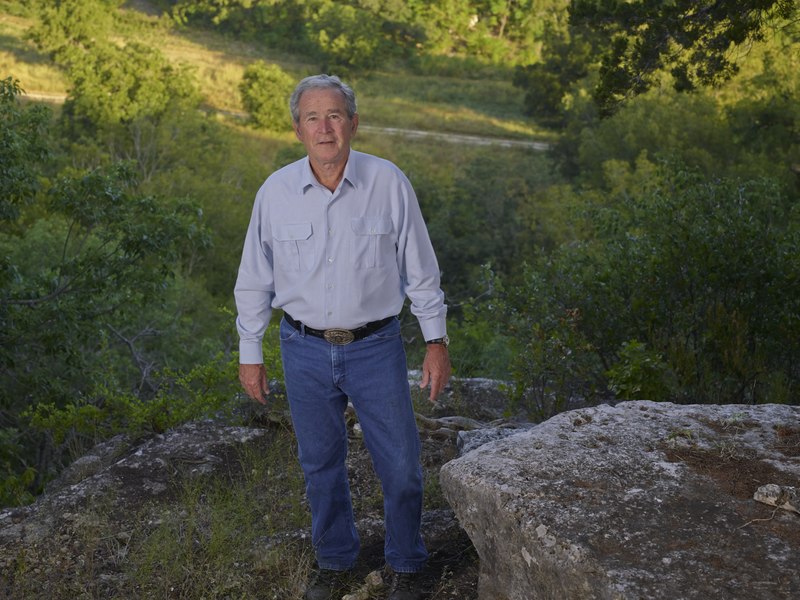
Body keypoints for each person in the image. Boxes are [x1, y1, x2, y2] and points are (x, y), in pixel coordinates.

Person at [234, 74, 451, 600]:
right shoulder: (275, 193)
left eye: (334, 116)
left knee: (400, 464)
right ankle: (334, 561)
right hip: (302, 347)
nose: (324, 127)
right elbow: (253, 279)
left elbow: (421, 270)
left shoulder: (389, 183)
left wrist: (436, 341)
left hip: (375, 347)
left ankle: (407, 562)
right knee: (319, 463)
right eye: (313, 117)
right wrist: (250, 352)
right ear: (297, 129)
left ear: (353, 123)